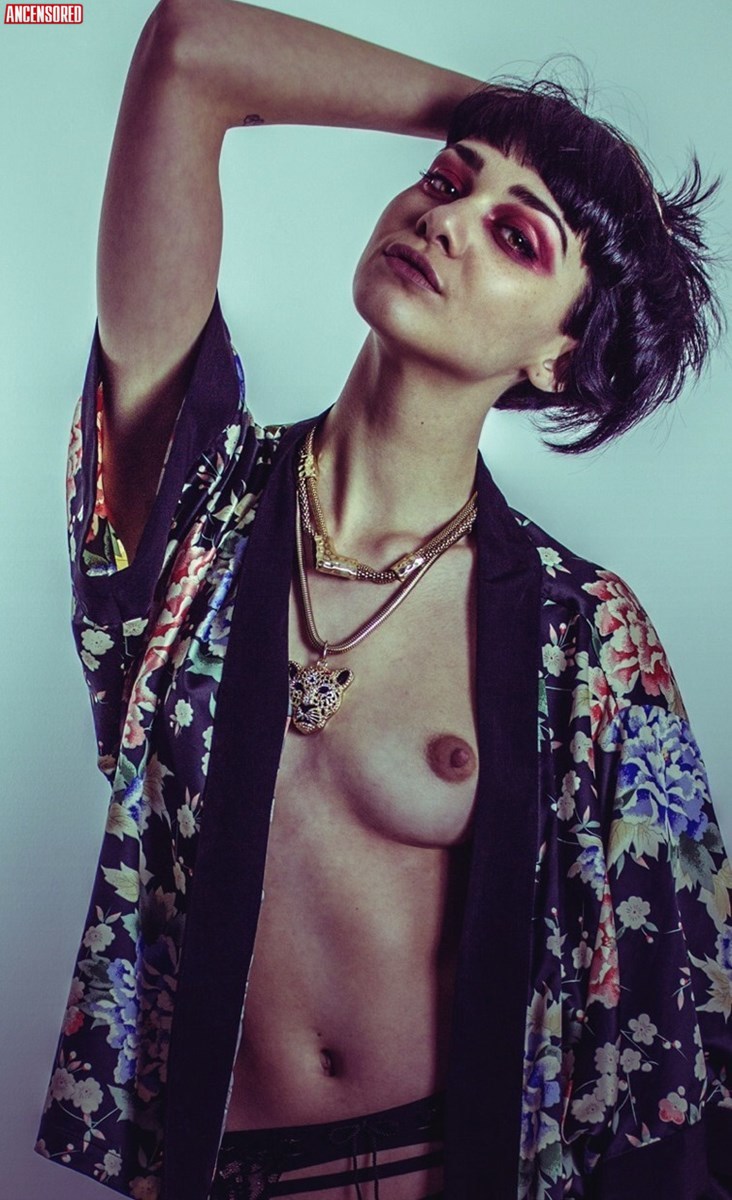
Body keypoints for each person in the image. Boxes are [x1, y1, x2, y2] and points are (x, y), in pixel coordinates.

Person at [35, 1, 730, 1198]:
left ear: (559, 354)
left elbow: (674, 1042)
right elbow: (190, 51)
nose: (446, 218)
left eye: (514, 234)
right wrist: (514, 124)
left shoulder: (583, 635)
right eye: (445, 179)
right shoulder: (196, 514)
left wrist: (547, 156)